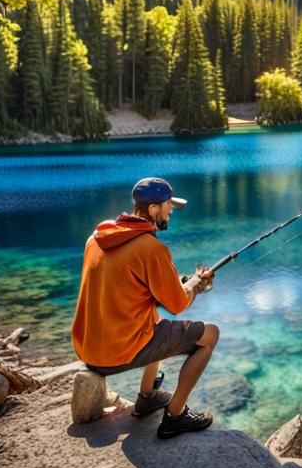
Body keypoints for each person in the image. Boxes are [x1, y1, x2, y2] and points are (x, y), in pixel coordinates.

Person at [71, 177, 219, 438]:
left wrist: (183, 283)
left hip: (89, 349)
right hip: (117, 355)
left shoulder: (96, 239)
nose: (170, 210)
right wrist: (195, 284)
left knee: (152, 317)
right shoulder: (151, 248)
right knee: (210, 335)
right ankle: (175, 415)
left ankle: (147, 397)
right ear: (152, 209)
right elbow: (178, 305)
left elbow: (134, 289)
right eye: (167, 205)